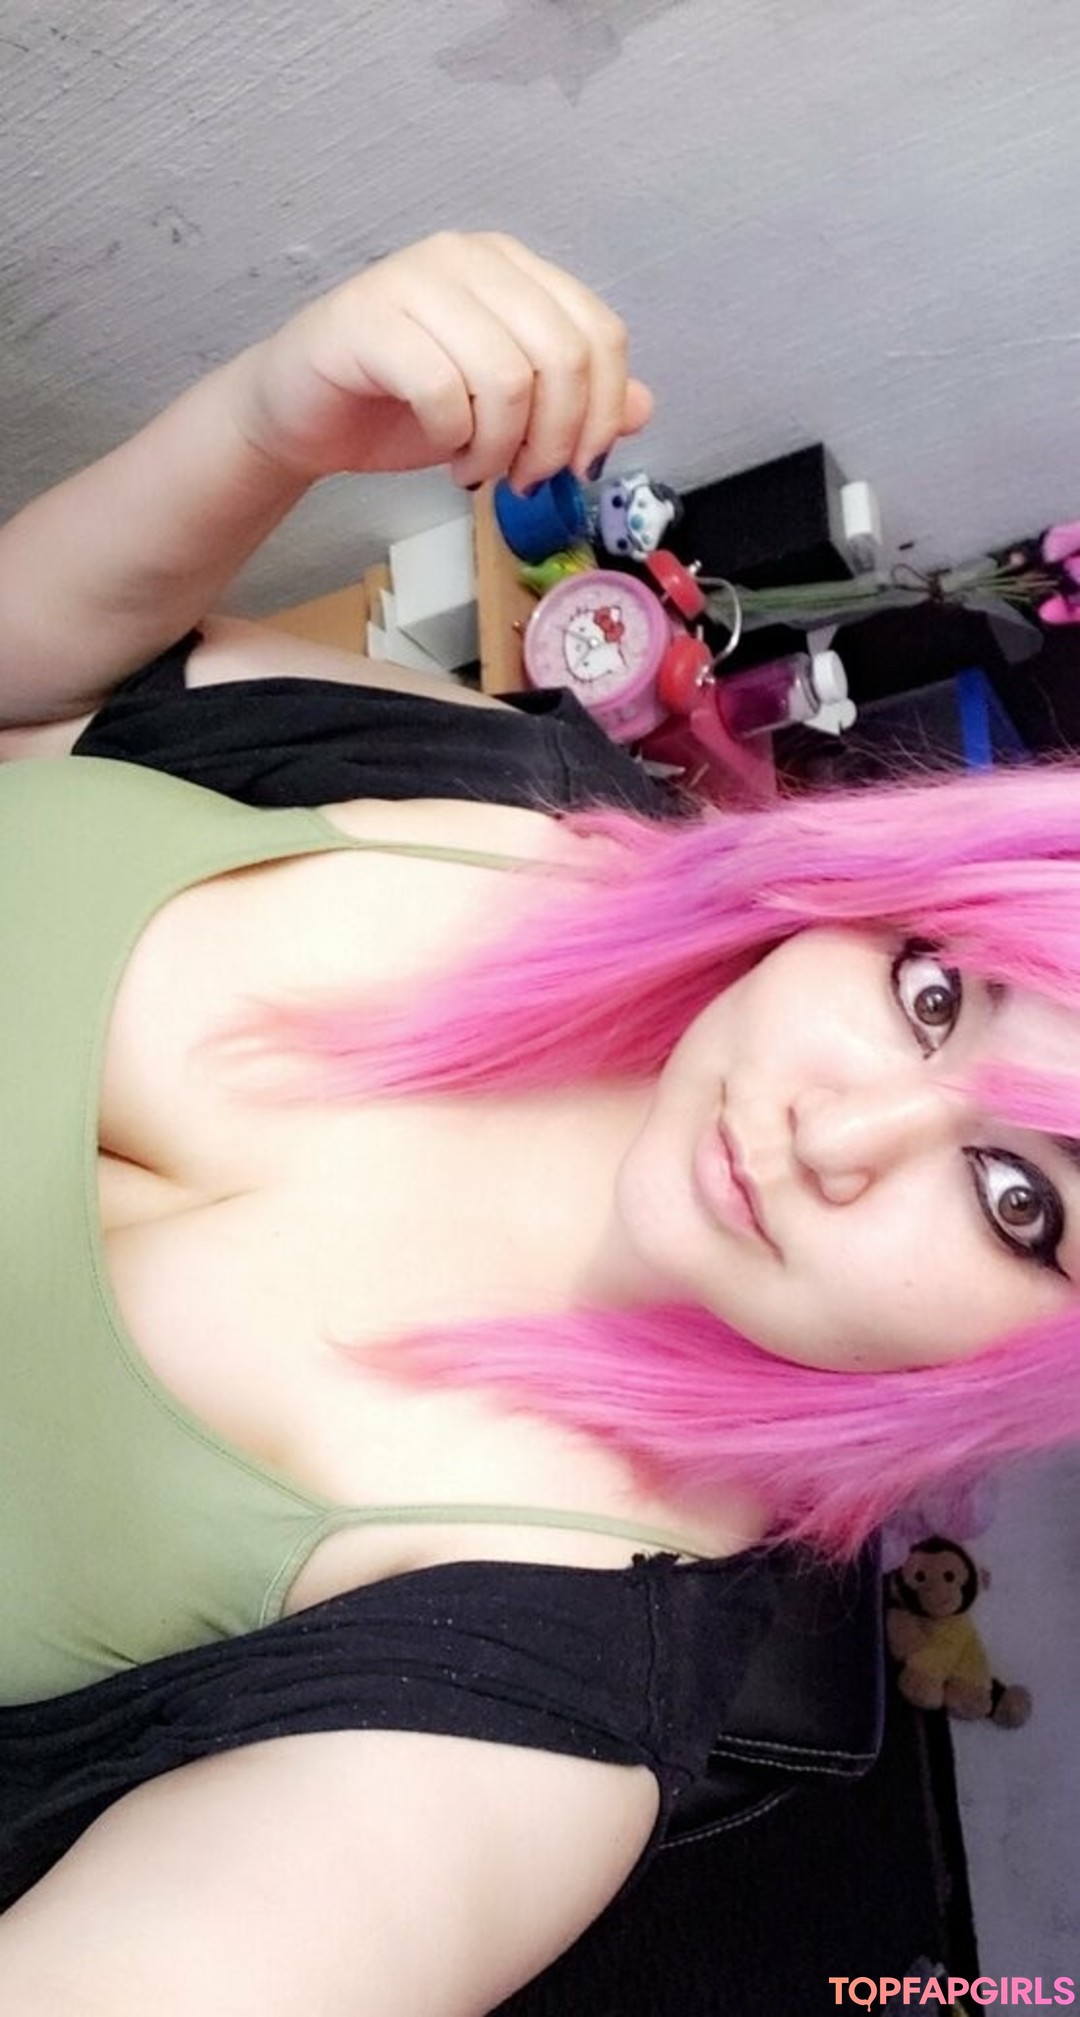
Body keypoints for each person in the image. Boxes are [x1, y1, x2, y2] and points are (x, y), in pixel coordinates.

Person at [1, 230, 1079, 2015]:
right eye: (933, 993)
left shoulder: (531, 1704)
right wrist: (263, 425)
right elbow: (31, 694)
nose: (838, 1128)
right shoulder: (516, 798)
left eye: (1017, 1196)